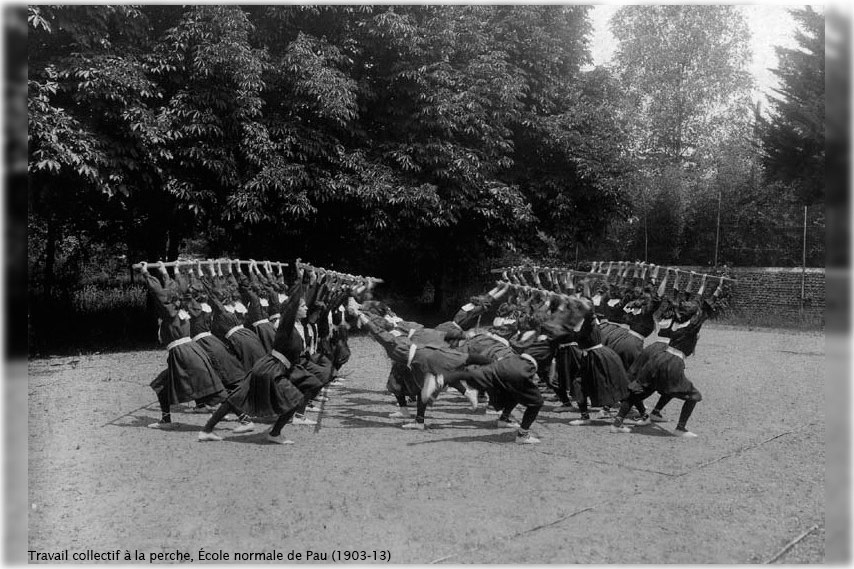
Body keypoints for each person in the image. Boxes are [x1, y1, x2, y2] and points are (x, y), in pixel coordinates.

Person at [609, 276, 727, 437]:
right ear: (693, 315)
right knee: (694, 396)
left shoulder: (676, 321)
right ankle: (680, 428)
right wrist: (719, 288)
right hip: (673, 362)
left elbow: (687, 302)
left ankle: (618, 423)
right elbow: (706, 305)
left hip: (660, 358)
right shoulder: (692, 325)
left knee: (637, 391)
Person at [140, 262, 226, 430]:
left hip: (183, 354)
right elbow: (174, 290)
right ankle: (167, 419)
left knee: (212, 387)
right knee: (164, 385)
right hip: (190, 350)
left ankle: (244, 417)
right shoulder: (184, 307)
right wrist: (165, 272)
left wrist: (145, 273)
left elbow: (159, 293)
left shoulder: (170, 313)